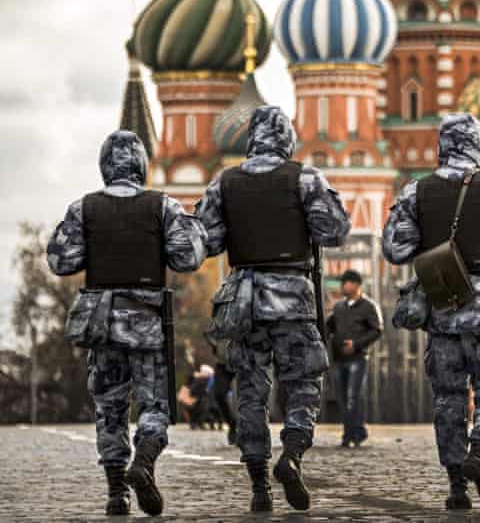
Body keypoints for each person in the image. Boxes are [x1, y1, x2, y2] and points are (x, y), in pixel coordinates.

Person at [196, 106, 351, 512]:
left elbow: (206, 242)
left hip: (244, 300)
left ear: (252, 138)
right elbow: (335, 230)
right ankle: (293, 454)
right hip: (292, 297)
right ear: (287, 139)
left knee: (250, 391)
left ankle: (259, 485)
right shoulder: (304, 178)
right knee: (304, 382)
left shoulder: (224, 182)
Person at [382, 113, 480, 510]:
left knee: (448, 398)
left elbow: (395, 249)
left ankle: (456, 485)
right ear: (479, 147)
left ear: (442, 146)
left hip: (440, 305)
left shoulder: (416, 190)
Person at [46, 130, 207, 516]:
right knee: (155, 403)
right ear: (140, 165)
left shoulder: (83, 208)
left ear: (105, 166)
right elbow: (188, 258)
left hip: (101, 324)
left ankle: (116, 492)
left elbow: (60, 261)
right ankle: (144, 463)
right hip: (147, 321)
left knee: (110, 408)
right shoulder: (163, 206)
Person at [327, 269, 383, 448]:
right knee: (343, 398)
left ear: (357, 285)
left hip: (358, 359)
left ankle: (352, 434)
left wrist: (357, 344)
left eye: (346, 283)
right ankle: (354, 432)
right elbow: (329, 327)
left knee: (353, 397)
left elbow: (377, 330)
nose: (343, 286)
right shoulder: (339, 307)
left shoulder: (369, 306)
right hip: (339, 359)